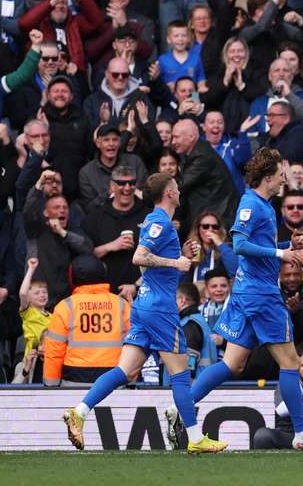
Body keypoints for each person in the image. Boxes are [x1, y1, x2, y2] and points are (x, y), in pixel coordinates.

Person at [166, 148, 303, 454]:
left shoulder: (264, 206)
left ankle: (183, 407)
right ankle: (302, 432)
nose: (285, 177)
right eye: (281, 173)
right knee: (290, 362)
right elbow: (241, 245)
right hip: (261, 295)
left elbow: (257, 245)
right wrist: (280, 253)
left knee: (232, 363)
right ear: (268, 177)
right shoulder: (251, 203)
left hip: (248, 293)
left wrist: (286, 244)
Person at [61, 172, 226, 454]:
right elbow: (139, 257)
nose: (178, 189)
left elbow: (145, 265)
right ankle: (196, 438)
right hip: (161, 309)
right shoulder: (161, 221)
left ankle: (80, 410)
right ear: (169, 193)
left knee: (124, 370)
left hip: (144, 304)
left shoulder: (153, 221)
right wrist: (175, 263)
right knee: (180, 375)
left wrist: (178, 254)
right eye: (175, 186)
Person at [43, 254, 132, 386]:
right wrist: (131, 382)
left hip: (74, 381)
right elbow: (134, 346)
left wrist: (51, 385)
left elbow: (54, 351)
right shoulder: (122, 304)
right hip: (114, 381)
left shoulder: (66, 306)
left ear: (72, 278)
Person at [82, 166, 151, 298]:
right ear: (112, 186)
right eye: (121, 183)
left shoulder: (149, 215)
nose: (127, 188)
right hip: (105, 295)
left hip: (143, 292)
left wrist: (136, 286)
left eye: (131, 183)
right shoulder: (95, 217)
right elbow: (85, 258)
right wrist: (111, 246)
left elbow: (161, 256)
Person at [170, 118, 238, 231]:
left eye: (176, 137)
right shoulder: (197, 152)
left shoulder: (202, 157)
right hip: (212, 218)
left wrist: (154, 191)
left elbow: (179, 187)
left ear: (191, 137)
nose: (173, 142)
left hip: (217, 223)